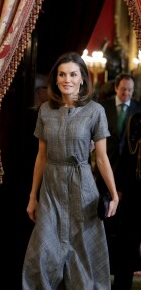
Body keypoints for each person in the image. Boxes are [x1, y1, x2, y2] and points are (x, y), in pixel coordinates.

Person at [22, 52, 119, 289]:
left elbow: (102, 158)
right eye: (62, 74)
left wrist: (114, 195)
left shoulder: (96, 111)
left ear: (83, 78)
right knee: (41, 256)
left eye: (73, 74)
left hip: (83, 187)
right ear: (55, 79)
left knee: (83, 255)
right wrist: (33, 196)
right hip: (51, 187)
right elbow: (41, 157)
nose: (67, 79)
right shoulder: (45, 110)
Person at [96, 73, 141, 278]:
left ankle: (124, 274)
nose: (126, 93)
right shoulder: (102, 107)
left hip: (131, 179)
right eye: (123, 89)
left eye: (130, 91)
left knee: (127, 231)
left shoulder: (138, 109)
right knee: (104, 226)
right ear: (116, 88)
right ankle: (103, 271)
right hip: (106, 173)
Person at [112, 112, 141, 290]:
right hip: (133, 192)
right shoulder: (135, 120)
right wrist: (119, 189)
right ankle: (122, 284)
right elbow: (124, 155)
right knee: (127, 242)